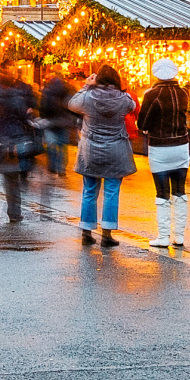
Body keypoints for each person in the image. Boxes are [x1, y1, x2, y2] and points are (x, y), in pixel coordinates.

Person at [69, 65, 136, 247]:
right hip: (116, 149)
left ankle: (86, 231)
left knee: (90, 190)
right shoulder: (123, 99)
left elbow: (72, 104)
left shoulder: (88, 97)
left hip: (90, 150)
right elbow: (133, 105)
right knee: (112, 191)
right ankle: (107, 234)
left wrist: (86, 86)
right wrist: (123, 88)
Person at [137, 58, 190, 248]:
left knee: (162, 193)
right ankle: (180, 236)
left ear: (156, 74)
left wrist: (145, 128)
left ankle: (163, 236)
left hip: (160, 148)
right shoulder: (184, 92)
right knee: (180, 191)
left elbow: (142, 123)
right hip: (181, 146)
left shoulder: (152, 94)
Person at [0, 64, 36, 222]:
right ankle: (15, 212)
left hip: (0, 140)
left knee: (8, 178)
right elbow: (24, 118)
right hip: (16, 139)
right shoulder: (17, 98)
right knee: (14, 179)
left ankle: (13, 211)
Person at [40, 65, 76, 176]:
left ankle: (52, 166)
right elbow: (72, 106)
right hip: (64, 122)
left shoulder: (47, 91)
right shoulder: (68, 90)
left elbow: (44, 106)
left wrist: (44, 117)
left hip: (51, 122)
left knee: (51, 144)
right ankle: (61, 169)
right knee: (63, 146)